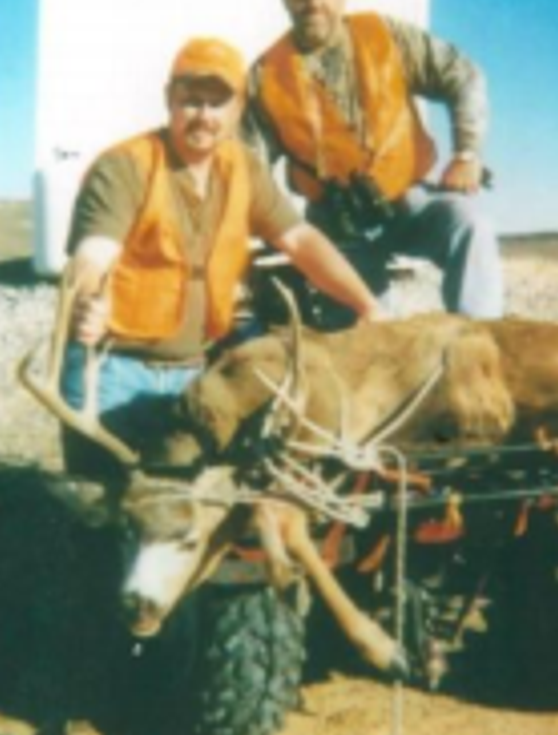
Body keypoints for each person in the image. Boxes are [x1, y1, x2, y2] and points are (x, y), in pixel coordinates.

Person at [59, 35, 384, 473]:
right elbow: (94, 252)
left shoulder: (244, 169)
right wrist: (87, 302)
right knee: (102, 513)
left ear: (238, 110)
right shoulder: (125, 166)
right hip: (114, 367)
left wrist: (365, 304)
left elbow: (302, 241)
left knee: (186, 512)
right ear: (169, 100)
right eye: (191, 100)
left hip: (198, 375)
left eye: (218, 103)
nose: (204, 116)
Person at [243, 0, 504, 323]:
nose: (312, 2)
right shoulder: (264, 77)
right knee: (360, 336)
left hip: (409, 198)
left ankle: (481, 349)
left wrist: (466, 154)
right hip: (336, 224)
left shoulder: (386, 36)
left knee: (472, 226)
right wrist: (274, 226)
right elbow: (248, 168)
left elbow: (463, 75)